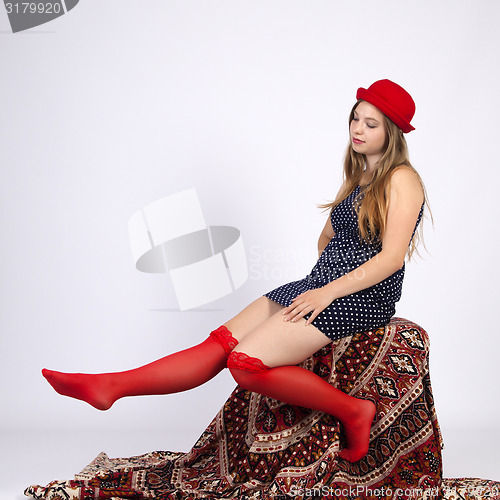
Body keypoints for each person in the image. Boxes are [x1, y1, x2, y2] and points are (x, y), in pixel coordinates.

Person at [42, 79, 426, 464]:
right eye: (355, 119)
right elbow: (327, 238)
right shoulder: (359, 177)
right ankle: (112, 386)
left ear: (391, 132)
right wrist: (322, 279)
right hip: (319, 285)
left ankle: (353, 410)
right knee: (219, 345)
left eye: (370, 124)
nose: (357, 129)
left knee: (245, 364)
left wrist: (329, 291)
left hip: (363, 298)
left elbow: (391, 258)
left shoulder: (402, 179)